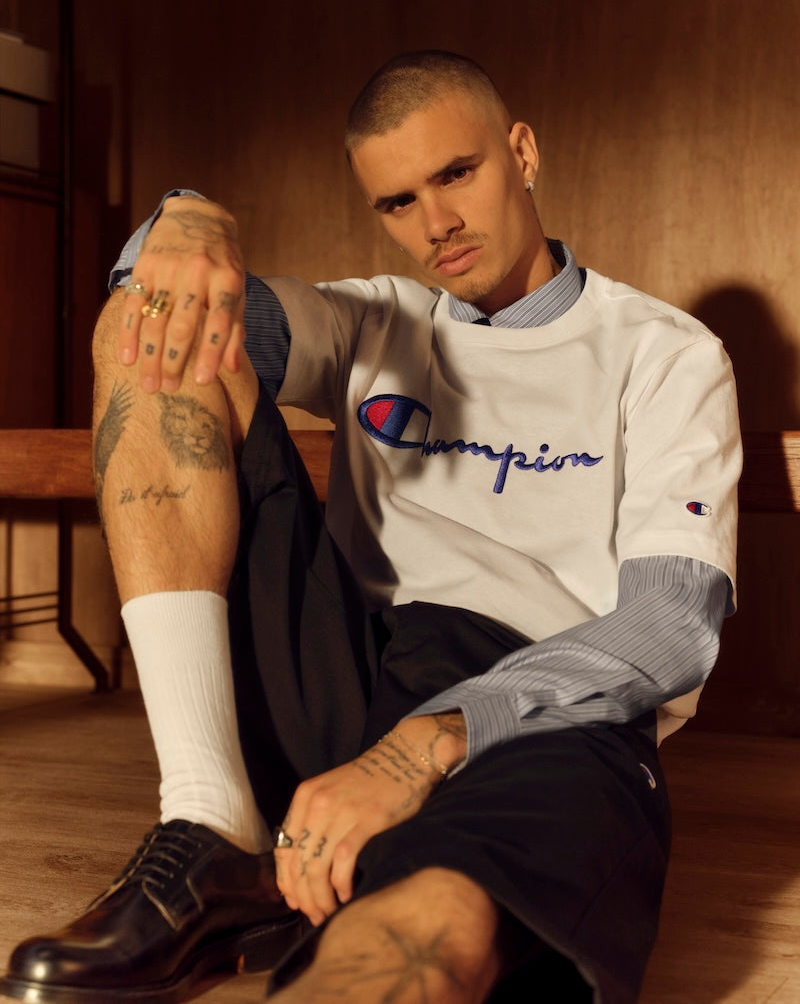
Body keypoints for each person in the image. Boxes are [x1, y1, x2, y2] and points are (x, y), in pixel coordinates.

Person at [1, 51, 741, 1004]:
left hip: (541, 712)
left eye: (455, 174)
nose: (436, 225)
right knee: (151, 324)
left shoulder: (664, 352)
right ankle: (207, 823)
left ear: (522, 152)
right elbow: (178, 306)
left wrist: (422, 745)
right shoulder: (375, 321)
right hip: (349, 664)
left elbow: (672, 626)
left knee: (412, 940)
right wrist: (190, 215)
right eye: (398, 202)